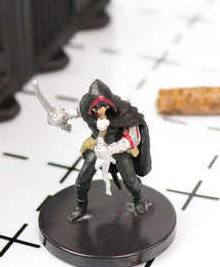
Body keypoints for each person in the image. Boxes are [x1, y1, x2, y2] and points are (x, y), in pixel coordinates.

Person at [43, 79, 152, 222]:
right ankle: (81, 206)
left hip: (119, 149)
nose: (101, 112)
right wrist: (60, 116)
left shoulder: (125, 113)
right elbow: (74, 113)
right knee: (82, 179)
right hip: (96, 146)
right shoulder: (85, 108)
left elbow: (132, 139)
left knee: (131, 181)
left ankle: (138, 200)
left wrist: (111, 149)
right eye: (96, 109)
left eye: (104, 107)